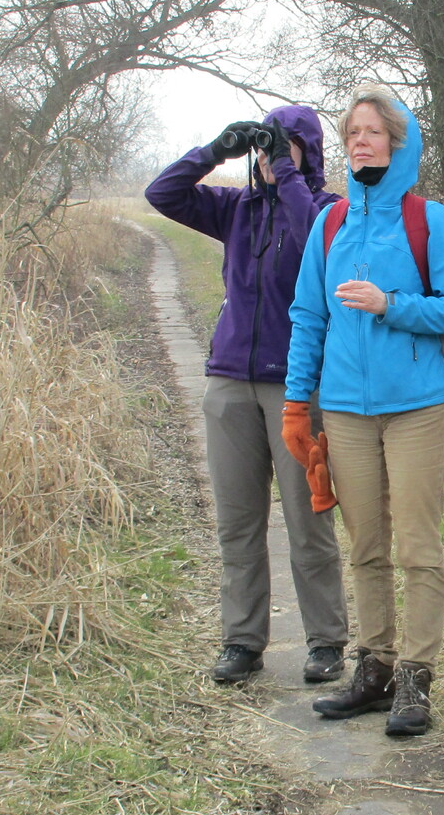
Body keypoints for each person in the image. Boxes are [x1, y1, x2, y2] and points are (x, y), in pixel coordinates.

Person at [282, 84, 444, 737]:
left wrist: (391, 303)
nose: (359, 140)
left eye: (371, 130)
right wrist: (295, 404)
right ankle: (374, 669)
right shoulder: (329, 223)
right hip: (343, 411)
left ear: (397, 139)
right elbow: (308, 316)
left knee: (417, 547)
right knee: (365, 546)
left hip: (417, 407)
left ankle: (416, 681)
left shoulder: (429, 220)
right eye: (351, 132)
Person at [145, 106, 349, 687]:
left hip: (296, 386)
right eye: (264, 148)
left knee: (308, 521)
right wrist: (216, 150)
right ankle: (242, 640)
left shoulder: (329, 211)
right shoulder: (236, 209)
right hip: (230, 379)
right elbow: (162, 193)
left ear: (306, 151)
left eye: (284, 147)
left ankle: (326, 641)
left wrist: (286, 172)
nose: (268, 157)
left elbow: (316, 240)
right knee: (237, 521)